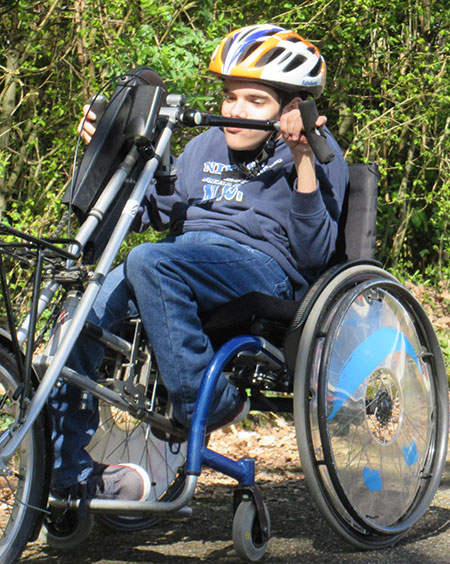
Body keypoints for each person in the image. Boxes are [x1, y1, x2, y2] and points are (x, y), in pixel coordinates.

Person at [51, 24, 349, 502]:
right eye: (231, 97)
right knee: (81, 308)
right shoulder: (204, 145)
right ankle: (66, 476)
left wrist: (303, 161)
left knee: (149, 261)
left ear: (291, 105)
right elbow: (154, 213)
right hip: (181, 259)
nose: (235, 111)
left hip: (261, 268)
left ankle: (207, 404)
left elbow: (314, 254)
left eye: (255, 101)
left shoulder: (316, 153)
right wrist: (100, 147)